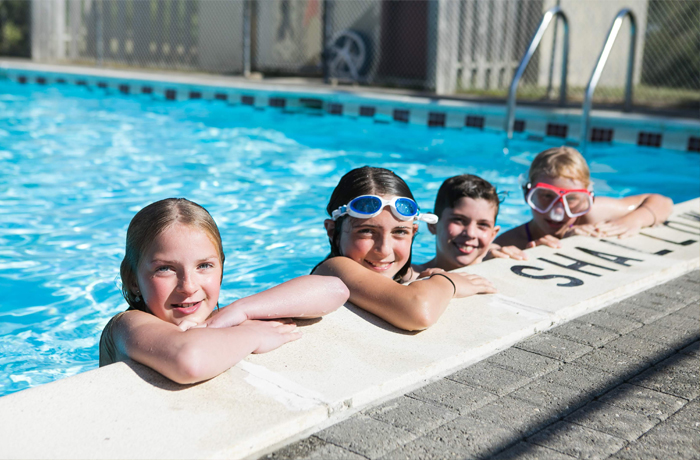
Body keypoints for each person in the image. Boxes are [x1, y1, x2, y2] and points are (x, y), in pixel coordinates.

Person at [99, 198, 349, 384]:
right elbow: (190, 360)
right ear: (133, 280)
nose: (188, 286)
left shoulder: (219, 318)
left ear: (221, 268)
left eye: (204, 266)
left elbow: (334, 289)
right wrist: (253, 335)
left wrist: (242, 309)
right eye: (165, 269)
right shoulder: (127, 325)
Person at [312, 166, 496, 332]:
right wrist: (448, 282)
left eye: (400, 231)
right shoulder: (335, 268)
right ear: (331, 230)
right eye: (367, 231)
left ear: (414, 232)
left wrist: (489, 254)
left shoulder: (406, 274)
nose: (384, 250)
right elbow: (418, 311)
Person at [494, 146, 674, 250]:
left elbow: (662, 202)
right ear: (528, 194)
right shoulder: (510, 242)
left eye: (571, 199)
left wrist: (633, 220)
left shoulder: (591, 215)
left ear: (586, 199)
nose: (557, 211)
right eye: (547, 196)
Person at [414, 174, 527, 273]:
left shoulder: (496, 258)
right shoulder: (411, 276)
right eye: (459, 220)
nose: (470, 233)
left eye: (483, 225)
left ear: (493, 234)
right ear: (432, 224)